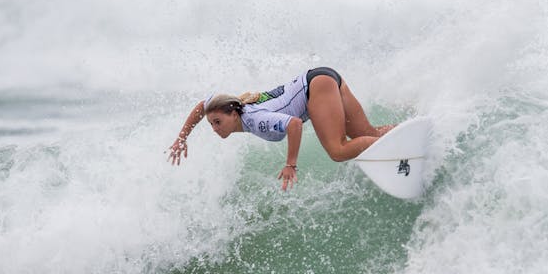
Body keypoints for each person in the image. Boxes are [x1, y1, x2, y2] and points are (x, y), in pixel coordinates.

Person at [167, 67, 393, 190]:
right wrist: (181, 138)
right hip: (320, 77)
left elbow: (294, 124)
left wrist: (290, 164)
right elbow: (202, 106)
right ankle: (401, 133)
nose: (215, 129)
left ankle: (394, 150)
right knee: (366, 136)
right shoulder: (234, 107)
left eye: (218, 122)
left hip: (315, 87)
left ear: (234, 114)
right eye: (211, 124)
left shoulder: (255, 120)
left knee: (338, 150)